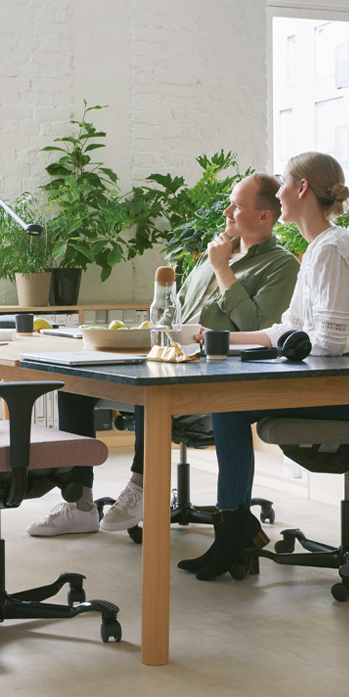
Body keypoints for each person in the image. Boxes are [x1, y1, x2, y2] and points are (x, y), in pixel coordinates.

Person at [27, 173, 300, 536]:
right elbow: (176, 310)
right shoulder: (216, 251)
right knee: (74, 383)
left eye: (237, 205)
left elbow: (257, 326)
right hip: (173, 355)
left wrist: (221, 268)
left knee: (148, 383)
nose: (227, 210)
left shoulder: (281, 265)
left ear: (265, 216)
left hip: (218, 369)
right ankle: (80, 503)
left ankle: (143, 485)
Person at [180, 151, 349, 580]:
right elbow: (288, 327)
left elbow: (329, 343)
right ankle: (232, 527)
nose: (280, 191)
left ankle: (234, 531)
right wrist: (220, 339)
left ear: (302, 188)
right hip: (334, 383)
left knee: (231, 402)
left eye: (285, 183)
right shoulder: (316, 251)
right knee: (228, 402)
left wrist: (282, 346)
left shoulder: (332, 249)